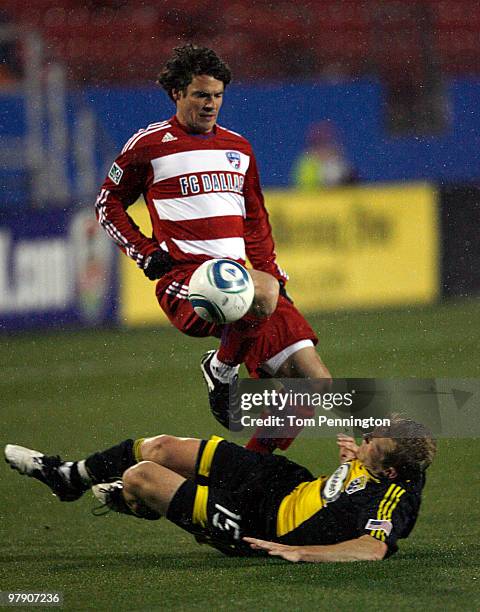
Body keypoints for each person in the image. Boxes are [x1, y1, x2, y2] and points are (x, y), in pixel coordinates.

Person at [94, 44, 331, 453]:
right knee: (261, 293)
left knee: (313, 386)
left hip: (240, 278)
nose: (211, 104)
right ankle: (222, 370)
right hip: (184, 279)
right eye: (201, 94)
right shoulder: (150, 144)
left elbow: (255, 220)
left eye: (217, 95)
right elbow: (107, 204)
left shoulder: (238, 148)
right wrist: (145, 252)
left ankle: (246, 472)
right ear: (177, 94)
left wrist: (269, 269)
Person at [5, 414, 436, 562]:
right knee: (159, 448)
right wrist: (350, 463)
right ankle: (67, 478)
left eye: (371, 445)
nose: (363, 443)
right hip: (281, 483)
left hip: (263, 525)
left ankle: (137, 500)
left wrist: (304, 552)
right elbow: (344, 498)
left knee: (139, 477)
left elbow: (372, 547)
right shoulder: (387, 457)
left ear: (393, 473)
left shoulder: (396, 497)